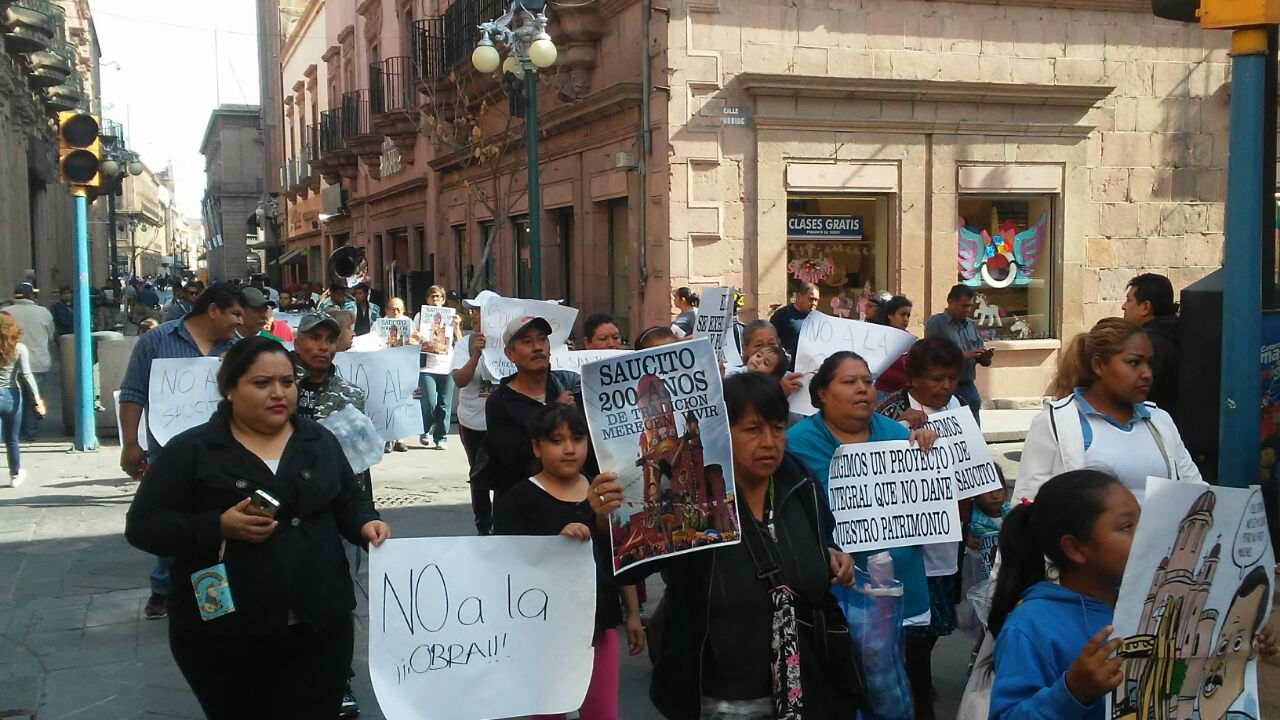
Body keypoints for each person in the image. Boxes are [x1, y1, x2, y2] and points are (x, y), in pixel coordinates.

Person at [124, 337, 389, 719]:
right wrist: (216, 526)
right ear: (230, 389)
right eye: (262, 383)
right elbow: (144, 526)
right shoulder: (192, 451)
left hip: (320, 621)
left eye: (287, 381)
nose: (278, 393)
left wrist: (366, 522)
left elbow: (349, 498)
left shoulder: (319, 440)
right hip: (226, 632)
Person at [592, 371, 860, 719]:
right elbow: (634, 569)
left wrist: (835, 557)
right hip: (718, 700)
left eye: (777, 428)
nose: (769, 441)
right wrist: (604, 522)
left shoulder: (799, 478)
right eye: (752, 429)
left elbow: (823, 541)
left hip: (807, 689)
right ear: (723, 431)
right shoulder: (691, 491)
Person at [785, 351, 937, 666]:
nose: (862, 389)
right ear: (822, 393)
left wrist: (925, 449)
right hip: (833, 586)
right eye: (850, 381)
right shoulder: (794, 444)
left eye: (868, 382)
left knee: (898, 681)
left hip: (898, 584)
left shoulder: (898, 437)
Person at [495, 403, 643, 720]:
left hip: (597, 625)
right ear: (536, 446)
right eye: (556, 440)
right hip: (543, 633)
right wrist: (555, 543)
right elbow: (506, 565)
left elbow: (622, 556)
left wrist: (631, 612)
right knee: (548, 713)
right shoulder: (517, 500)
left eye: (577, 439)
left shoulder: (604, 492)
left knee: (602, 713)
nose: (569, 449)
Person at [118, 281, 244, 620]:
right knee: (173, 522)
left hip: (224, 453)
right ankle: (163, 588)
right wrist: (131, 444)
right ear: (213, 310)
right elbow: (133, 393)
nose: (239, 320)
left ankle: (212, 603)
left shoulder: (236, 348)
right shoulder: (156, 341)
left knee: (214, 526)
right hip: (168, 454)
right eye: (234, 313)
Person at [986, 471, 1148, 720]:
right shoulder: (1029, 628)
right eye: (1127, 527)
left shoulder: (1147, 600)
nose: (1145, 536)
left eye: (1143, 522)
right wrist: (1073, 692)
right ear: (1074, 548)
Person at [874, 336, 967, 719]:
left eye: (952, 378)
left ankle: (917, 677)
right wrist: (900, 429)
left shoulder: (957, 407)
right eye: (937, 379)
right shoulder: (891, 411)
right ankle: (914, 693)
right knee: (912, 625)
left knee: (935, 622)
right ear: (913, 381)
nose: (946, 387)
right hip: (907, 539)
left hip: (947, 530)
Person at [1018, 318, 1203, 506]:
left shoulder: (1159, 421)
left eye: (1149, 363)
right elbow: (1026, 507)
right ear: (1098, 365)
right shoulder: (1056, 422)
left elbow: (1197, 492)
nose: (1146, 374)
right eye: (1134, 362)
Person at [485, 316, 588, 495]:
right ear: (510, 354)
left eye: (542, 339)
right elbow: (511, 460)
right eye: (527, 341)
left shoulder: (571, 384)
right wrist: (553, 413)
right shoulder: (499, 402)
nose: (538, 347)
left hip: (576, 498)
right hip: (525, 504)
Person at [453, 290, 500, 533]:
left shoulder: (510, 342)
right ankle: (483, 522)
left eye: (479, 312)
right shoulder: (466, 343)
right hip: (473, 423)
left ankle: (504, 517)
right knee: (478, 472)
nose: (474, 317)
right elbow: (460, 380)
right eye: (473, 312)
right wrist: (476, 354)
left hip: (503, 421)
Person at [925, 284, 991, 425]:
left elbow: (982, 357)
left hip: (970, 385)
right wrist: (962, 356)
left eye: (969, 306)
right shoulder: (936, 323)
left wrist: (984, 357)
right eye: (963, 306)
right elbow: (931, 357)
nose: (967, 310)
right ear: (950, 302)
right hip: (948, 388)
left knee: (974, 435)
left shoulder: (971, 325)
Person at [1121, 273, 1180, 421]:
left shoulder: (1144, 344)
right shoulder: (1182, 333)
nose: (1124, 306)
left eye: (1129, 300)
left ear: (1146, 307)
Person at [2, 283, 55, 440]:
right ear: (31, 295)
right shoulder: (43, 312)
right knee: (34, 397)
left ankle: (14, 431)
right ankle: (31, 430)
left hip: (11, 362)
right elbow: (51, 335)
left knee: (15, 397)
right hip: (39, 361)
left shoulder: (5, 313)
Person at [0, 313, 43, 487]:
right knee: (12, 439)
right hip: (11, 395)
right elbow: (26, 375)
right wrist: (37, 399)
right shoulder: (19, 348)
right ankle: (15, 474)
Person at [415, 285, 460, 450]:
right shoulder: (420, 317)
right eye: (432, 297)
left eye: (438, 297)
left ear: (443, 300)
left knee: (444, 404)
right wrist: (418, 337)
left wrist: (456, 328)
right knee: (430, 402)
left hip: (447, 366)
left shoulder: (450, 317)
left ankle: (440, 436)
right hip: (427, 367)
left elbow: (460, 343)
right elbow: (414, 340)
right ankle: (425, 428)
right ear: (427, 299)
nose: (435, 300)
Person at [770, 282, 820, 371]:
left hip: (810, 370)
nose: (814, 303)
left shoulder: (817, 318)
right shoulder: (782, 315)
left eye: (816, 300)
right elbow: (771, 343)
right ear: (799, 296)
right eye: (811, 299)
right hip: (788, 370)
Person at [874, 295, 915, 399]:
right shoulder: (881, 337)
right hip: (884, 393)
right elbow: (879, 369)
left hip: (905, 393)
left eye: (908, 315)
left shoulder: (908, 338)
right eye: (902, 314)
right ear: (890, 315)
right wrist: (906, 380)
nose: (906, 319)